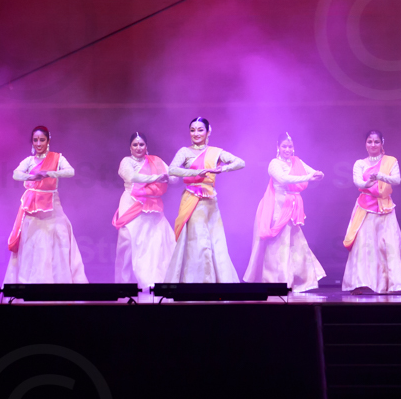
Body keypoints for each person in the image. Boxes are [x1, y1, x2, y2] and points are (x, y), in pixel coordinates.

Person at [4, 125, 88, 284]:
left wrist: (49, 173)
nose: (38, 143)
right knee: (33, 244)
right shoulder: (29, 161)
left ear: (48, 141)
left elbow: (70, 171)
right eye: (35, 140)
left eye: (42, 140)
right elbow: (15, 174)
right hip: (32, 211)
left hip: (52, 210)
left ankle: (58, 284)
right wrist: (31, 177)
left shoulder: (57, 158)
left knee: (57, 242)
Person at [165, 117, 244, 283]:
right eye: (192, 130)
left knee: (216, 240)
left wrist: (222, 169)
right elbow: (171, 169)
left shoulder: (215, 152)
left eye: (200, 130)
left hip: (211, 201)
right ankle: (198, 281)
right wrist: (194, 173)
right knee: (198, 240)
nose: (196, 133)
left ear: (208, 132)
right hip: (192, 199)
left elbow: (240, 162)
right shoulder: (184, 152)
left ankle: (217, 281)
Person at [243, 132, 326, 292]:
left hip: (292, 207)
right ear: (278, 147)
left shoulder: (296, 161)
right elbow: (284, 179)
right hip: (276, 208)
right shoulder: (274, 163)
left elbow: (313, 173)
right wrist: (308, 177)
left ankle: (296, 280)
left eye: (290, 146)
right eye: (284, 146)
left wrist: (319, 174)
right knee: (277, 244)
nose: (287, 149)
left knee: (295, 243)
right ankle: (275, 281)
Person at [342, 130, 401, 294]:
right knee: (363, 245)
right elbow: (357, 182)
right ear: (365, 144)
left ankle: (393, 284)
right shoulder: (360, 163)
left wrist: (380, 176)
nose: (373, 145)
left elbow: (397, 180)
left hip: (385, 207)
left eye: (376, 142)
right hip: (365, 207)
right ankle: (360, 283)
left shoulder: (390, 161)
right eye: (369, 141)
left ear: (382, 143)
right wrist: (367, 183)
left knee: (389, 245)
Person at [113, 132, 175, 290]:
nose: (138, 147)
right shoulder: (126, 161)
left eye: (141, 144)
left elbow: (173, 177)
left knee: (155, 242)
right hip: (131, 204)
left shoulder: (155, 161)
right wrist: (157, 178)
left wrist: (170, 177)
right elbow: (132, 177)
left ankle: (154, 281)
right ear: (130, 147)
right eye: (135, 144)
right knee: (128, 242)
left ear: (146, 146)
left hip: (152, 206)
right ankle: (124, 284)